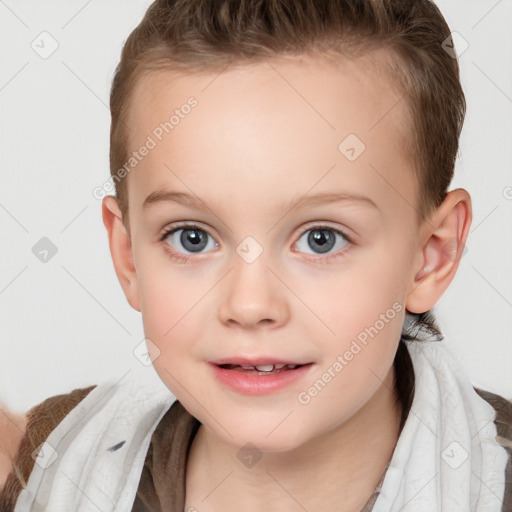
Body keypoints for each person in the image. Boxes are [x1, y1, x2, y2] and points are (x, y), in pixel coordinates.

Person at [1, 0, 511, 510]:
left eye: (321, 239)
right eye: (192, 238)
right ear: (129, 255)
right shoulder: (52, 465)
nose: (249, 305)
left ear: (431, 255)